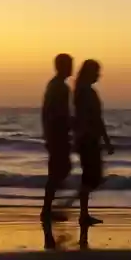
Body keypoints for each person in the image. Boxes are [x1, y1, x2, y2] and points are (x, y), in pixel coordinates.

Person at [73, 59, 114, 226]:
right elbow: (96, 119)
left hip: (86, 138)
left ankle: (83, 212)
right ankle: (83, 213)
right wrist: (106, 140)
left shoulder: (81, 91)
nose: (99, 75)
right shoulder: (87, 93)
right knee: (92, 177)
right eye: (96, 72)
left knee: (91, 177)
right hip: (88, 139)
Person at [40, 53, 74, 223]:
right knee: (59, 171)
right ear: (63, 66)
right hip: (58, 134)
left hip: (54, 134)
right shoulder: (60, 87)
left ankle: (49, 208)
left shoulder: (53, 85)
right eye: (70, 64)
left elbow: (46, 112)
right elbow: (59, 113)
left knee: (59, 170)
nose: (72, 68)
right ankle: (48, 209)